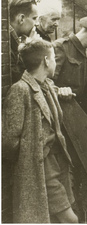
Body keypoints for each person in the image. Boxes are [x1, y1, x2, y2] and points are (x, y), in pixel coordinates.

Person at [2, 37, 78, 223]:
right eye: (53, 58)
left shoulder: (47, 87)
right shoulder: (20, 90)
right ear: (45, 61)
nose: (55, 62)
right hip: (41, 169)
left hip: (59, 165)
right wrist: (28, 161)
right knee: (70, 220)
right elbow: (9, 140)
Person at [8, 0, 38, 83]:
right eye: (34, 18)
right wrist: (30, 46)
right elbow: (18, 78)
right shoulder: (6, 42)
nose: (37, 23)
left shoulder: (9, 38)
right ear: (21, 18)